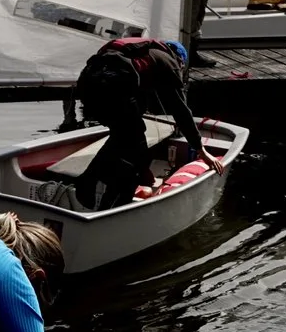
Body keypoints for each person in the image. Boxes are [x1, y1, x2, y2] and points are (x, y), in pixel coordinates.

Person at [73, 36, 200, 210]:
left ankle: (91, 181)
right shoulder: (169, 61)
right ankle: (110, 206)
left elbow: (136, 101)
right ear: (180, 60)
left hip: (88, 85)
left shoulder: (138, 54)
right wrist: (198, 146)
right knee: (135, 152)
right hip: (112, 86)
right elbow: (180, 110)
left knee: (124, 136)